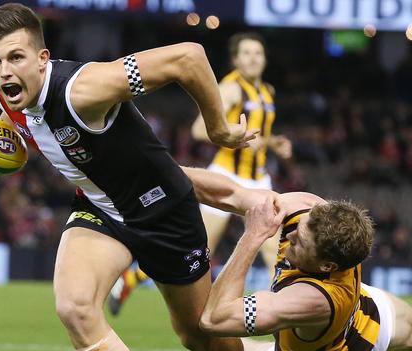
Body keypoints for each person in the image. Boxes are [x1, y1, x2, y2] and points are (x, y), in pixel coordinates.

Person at [0, 3, 257, 351]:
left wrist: (218, 128)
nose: (4, 72)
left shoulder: (84, 91)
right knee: (75, 307)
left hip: (164, 214)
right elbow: (16, 121)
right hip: (101, 208)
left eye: (16, 57)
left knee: (202, 339)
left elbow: (188, 57)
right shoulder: (0, 89)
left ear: (43, 58)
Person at [181, 167, 412, 351]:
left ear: (326, 265)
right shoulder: (309, 210)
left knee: (204, 343)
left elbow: (214, 318)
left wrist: (252, 238)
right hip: (370, 318)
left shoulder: (312, 299)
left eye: (301, 240)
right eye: (300, 226)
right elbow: (230, 193)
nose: (292, 234)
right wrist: (157, 168)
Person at [110, 32, 292, 315]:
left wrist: (273, 143)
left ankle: (283, 319)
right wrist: (234, 135)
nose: (253, 58)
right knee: (195, 249)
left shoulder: (268, 91)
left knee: (275, 250)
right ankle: (133, 277)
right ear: (235, 59)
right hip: (226, 176)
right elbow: (198, 130)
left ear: (266, 58)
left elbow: (257, 136)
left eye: (258, 53)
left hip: (258, 177)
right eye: (246, 53)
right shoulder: (230, 88)